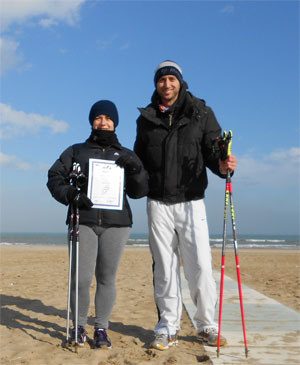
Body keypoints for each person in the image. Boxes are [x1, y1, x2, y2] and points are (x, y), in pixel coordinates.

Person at [134, 61, 237, 350]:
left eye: (171, 79)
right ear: (155, 85)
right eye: (161, 80)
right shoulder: (146, 119)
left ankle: (207, 325)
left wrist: (224, 164)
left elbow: (215, 151)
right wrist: (133, 184)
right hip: (158, 203)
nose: (166, 85)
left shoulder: (201, 112)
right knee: (164, 269)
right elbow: (139, 162)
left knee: (201, 267)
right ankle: (167, 328)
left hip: (192, 201)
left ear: (180, 82)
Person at [47, 100, 148, 349]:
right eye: (98, 118)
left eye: (108, 118)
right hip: (83, 221)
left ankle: (101, 328)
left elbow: (139, 191)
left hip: (117, 224)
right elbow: (54, 177)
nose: (103, 122)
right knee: (80, 278)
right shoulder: (76, 151)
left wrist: (136, 169)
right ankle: (79, 326)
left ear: (115, 122)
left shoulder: (126, 154)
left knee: (106, 278)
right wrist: (71, 194)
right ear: (92, 121)